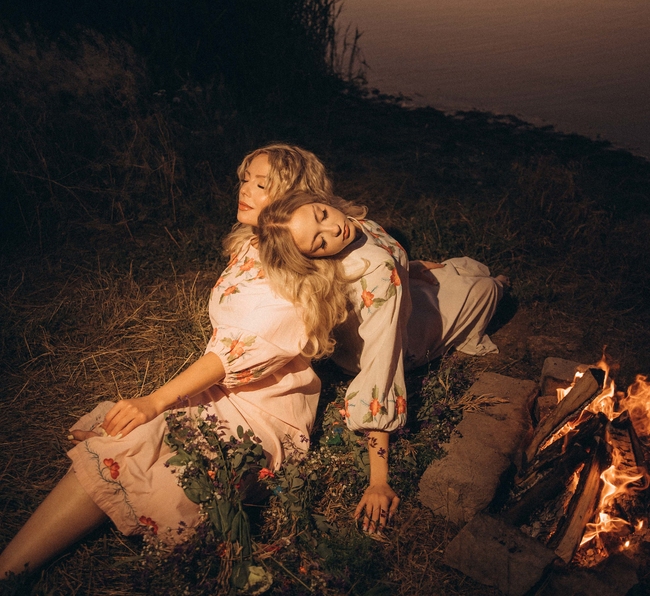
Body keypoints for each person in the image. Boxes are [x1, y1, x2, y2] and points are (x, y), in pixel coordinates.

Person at [0, 144, 334, 578]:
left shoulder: (291, 279)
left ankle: (9, 573)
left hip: (263, 414)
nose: (245, 190)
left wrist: (155, 401)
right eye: (245, 179)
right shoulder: (256, 245)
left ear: (292, 199)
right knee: (131, 436)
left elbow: (232, 355)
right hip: (228, 389)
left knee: (135, 439)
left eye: (261, 185)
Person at [256, 192, 508, 533]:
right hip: (393, 339)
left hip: (398, 300)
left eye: (322, 215)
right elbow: (381, 365)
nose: (334, 229)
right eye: (320, 242)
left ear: (319, 200)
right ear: (311, 257)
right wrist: (378, 480)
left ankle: (458, 282)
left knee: (462, 269)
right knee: (485, 289)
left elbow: (375, 254)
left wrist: (410, 268)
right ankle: (494, 289)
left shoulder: (353, 227)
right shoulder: (376, 272)